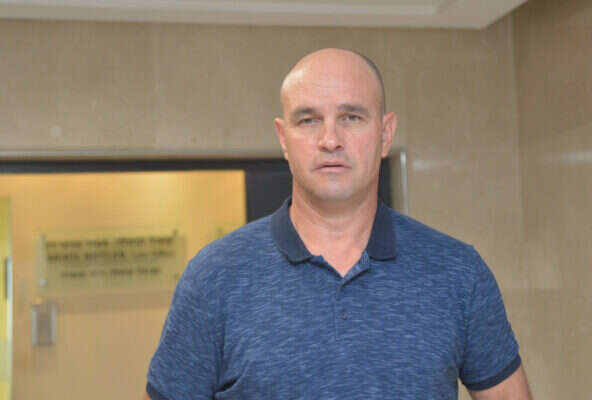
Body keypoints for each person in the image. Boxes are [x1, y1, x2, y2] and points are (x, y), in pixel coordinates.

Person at [145, 48, 532, 399]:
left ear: (385, 134)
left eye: (351, 117)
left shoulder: (459, 272)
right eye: (308, 120)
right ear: (283, 138)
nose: (330, 140)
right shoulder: (214, 277)